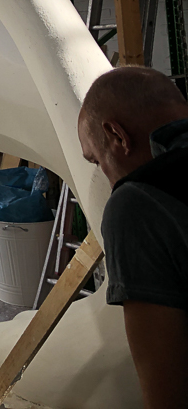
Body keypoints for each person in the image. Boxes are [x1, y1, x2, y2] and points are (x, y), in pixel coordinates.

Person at [77, 66, 188, 409]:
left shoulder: (138, 203)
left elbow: (167, 393)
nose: (104, 175)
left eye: (96, 161)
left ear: (118, 136)